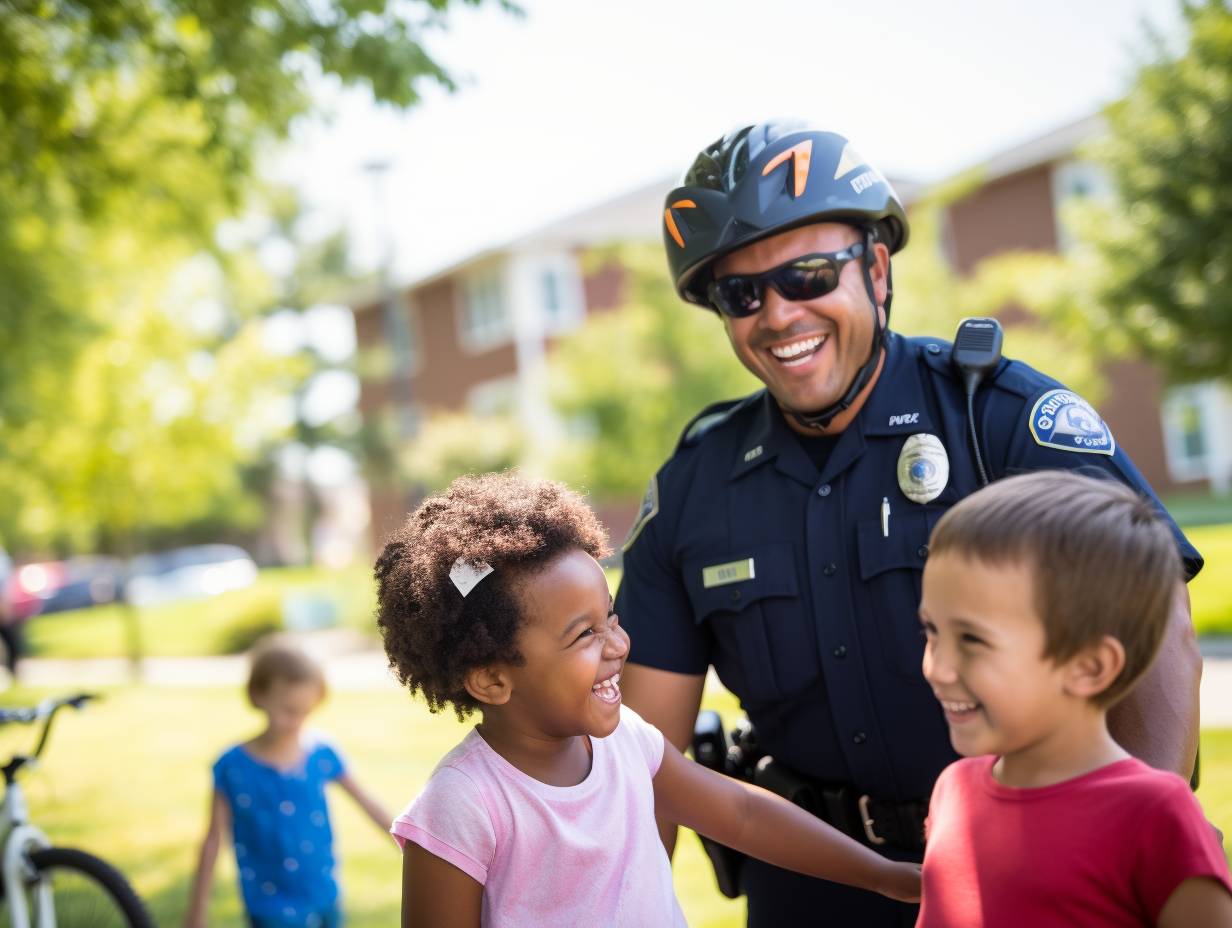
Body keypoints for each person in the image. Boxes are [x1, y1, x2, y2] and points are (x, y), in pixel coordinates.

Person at [617, 119, 1205, 926]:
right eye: (742, 294)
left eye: (810, 274)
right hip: (807, 885)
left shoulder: (995, 418)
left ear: (877, 269)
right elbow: (643, 754)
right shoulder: (694, 488)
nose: (780, 314)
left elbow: (1158, 623)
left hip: (1023, 871)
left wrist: (1129, 847)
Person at [375, 472, 921, 928]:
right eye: (584, 635)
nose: (619, 644)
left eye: (610, 616)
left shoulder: (626, 742)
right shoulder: (464, 804)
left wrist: (879, 873)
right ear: (492, 680)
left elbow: (742, 814)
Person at [917, 470, 1231, 926]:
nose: (936, 668)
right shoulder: (953, 792)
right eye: (932, 631)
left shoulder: (1155, 817)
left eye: (972, 640)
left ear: (1090, 666)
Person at [184, 635, 393, 928]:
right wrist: (197, 911)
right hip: (270, 907)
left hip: (324, 896)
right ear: (258, 695)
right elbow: (212, 841)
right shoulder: (232, 767)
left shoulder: (322, 754)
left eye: (305, 711)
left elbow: (368, 804)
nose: (297, 721)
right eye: (288, 710)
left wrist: (409, 847)